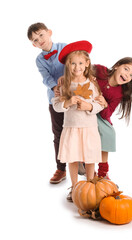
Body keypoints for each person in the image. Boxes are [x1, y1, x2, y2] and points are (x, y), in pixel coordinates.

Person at [51, 40, 104, 201]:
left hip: (89, 127)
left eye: (80, 63)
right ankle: (74, 188)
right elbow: (57, 105)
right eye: (72, 63)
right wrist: (67, 103)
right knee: (72, 158)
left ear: (87, 63)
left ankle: (89, 185)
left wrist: (89, 106)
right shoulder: (64, 85)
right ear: (67, 65)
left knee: (89, 159)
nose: (77, 67)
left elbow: (99, 104)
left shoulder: (92, 83)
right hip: (71, 127)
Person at [27, 22, 67, 183]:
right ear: (33, 45)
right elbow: (46, 77)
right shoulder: (39, 60)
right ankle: (61, 168)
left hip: (74, 95)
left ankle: (84, 165)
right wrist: (55, 86)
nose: (39, 40)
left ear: (49, 32)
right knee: (58, 134)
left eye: (41, 35)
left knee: (79, 130)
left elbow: (76, 65)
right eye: (35, 40)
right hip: (55, 99)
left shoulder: (64, 47)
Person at [93, 57, 132, 178]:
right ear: (116, 66)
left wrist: (104, 104)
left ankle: (103, 171)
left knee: (108, 133)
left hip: (99, 113)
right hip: (84, 105)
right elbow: (82, 70)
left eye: (131, 75)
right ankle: (84, 163)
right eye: (126, 69)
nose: (127, 75)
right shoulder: (100, 70)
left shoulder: (118, 93)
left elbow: (107, 114)